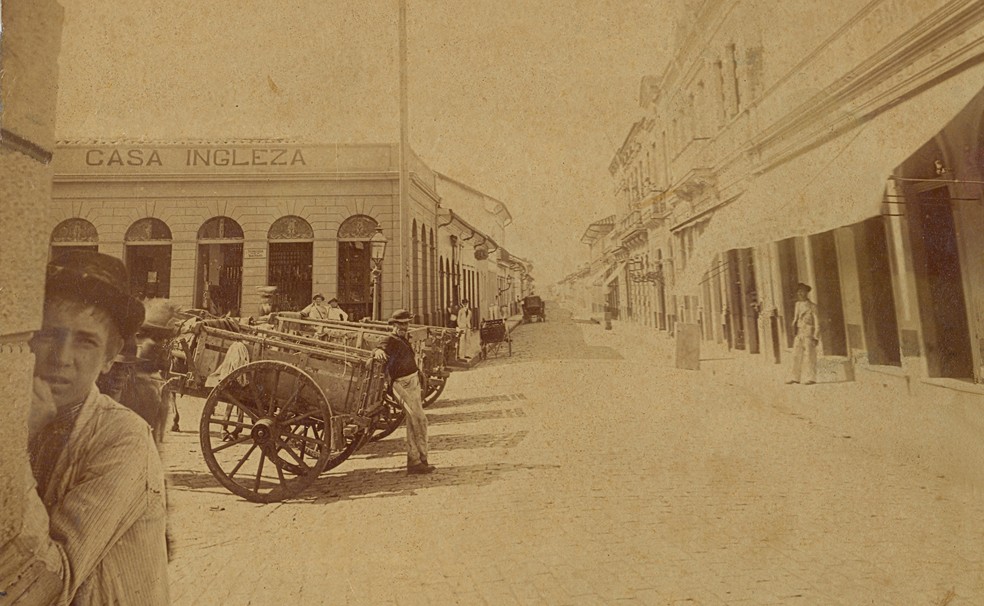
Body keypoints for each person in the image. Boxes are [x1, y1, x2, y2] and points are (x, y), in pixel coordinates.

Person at [4, 250, 169, 604]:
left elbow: (43, 587)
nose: (62, 357)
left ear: (110, 358)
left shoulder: (123, 438)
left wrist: (11, 446)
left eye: (85, 341)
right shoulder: (19, 417)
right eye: (50, 334)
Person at [372, 310, 435, 475]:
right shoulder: (389, 339)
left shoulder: (403, 339)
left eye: (406, 324)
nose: (404, 327)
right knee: (416, 418)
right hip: (400, 384)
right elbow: (378, 348)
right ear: (393, 325)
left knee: (419, 421)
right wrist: (377, 352)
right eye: (400, 324)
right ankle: (414, 462)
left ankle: (421, 459)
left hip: (412, 382)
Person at [786, 282, 821, 385]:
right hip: (799, 332)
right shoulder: (797, 305)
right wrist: (793, 329)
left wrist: (816, 336)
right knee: (796, 355)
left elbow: (817, 322)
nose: (801, 293)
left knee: (810, 355)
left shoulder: (812, 306)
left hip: (809, 332)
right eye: (799, 292)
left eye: (803, 291)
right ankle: (794, 377)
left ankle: (811, 378)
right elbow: (795, 319)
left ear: (807, 293)